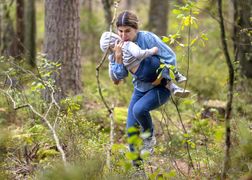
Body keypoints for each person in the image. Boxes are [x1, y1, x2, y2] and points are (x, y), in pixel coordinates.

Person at [106, 10, 189, 165]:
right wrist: (117, 58)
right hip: (140, 89)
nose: (124, 35)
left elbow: (170, 56)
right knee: (131, 132)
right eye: (121, 31)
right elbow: (119, 77)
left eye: (128, 31)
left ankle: (149, 138)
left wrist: (161, 77)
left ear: (136, 29)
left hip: (160, 87)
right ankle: (138, 171)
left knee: (139, 110)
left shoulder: (147, 38)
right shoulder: (117, 46)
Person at [100, 31, 190, 98]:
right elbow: (138, 53)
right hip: (149, 66)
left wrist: (116, 62)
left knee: (158, 77)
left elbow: (116, 77)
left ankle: (174, 87)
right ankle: (177, 75)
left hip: (142, 76)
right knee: (159, 60)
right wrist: (152, 51)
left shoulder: (112, 58)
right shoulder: (127, 44)